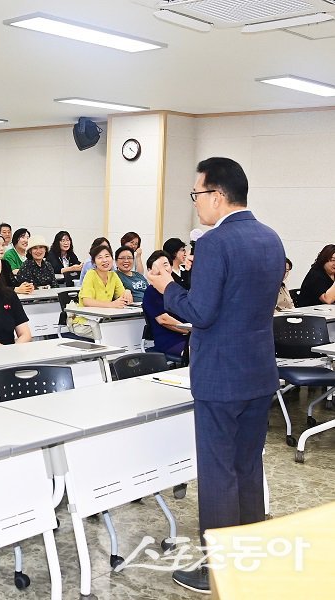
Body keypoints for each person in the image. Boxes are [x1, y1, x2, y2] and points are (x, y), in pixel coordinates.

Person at [145, 157, 284, 593]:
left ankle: (217, 570)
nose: (196, 203)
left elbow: (200, 313)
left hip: (220, 376)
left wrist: (166, 286)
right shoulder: (271, 238)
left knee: (219, 472)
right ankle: (248, 558)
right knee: (246, 467)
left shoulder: (216, 243)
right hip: (258, 370)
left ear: (218, 195)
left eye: (197, 195)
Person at [69, 245, 132, 338]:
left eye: (107, 256)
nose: (105, 260)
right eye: (100, 257)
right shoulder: (91, 274)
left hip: (104, 319)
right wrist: (112, 304)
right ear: (94, 262)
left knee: (125, 329)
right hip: (85, 321)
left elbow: (123, 297)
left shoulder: (113, 275)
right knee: (114, 334)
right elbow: (87, 301)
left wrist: (127, 292)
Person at [142, 251, 189, 357]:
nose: (162, 269)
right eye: (157, 266)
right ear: (149, 271)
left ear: (171, 267)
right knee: (199, 355)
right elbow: (164, 320)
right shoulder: (151, 292)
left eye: (165, 265)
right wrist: (189, 330)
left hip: (189, 336)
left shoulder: (177, 288)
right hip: (169, 340)